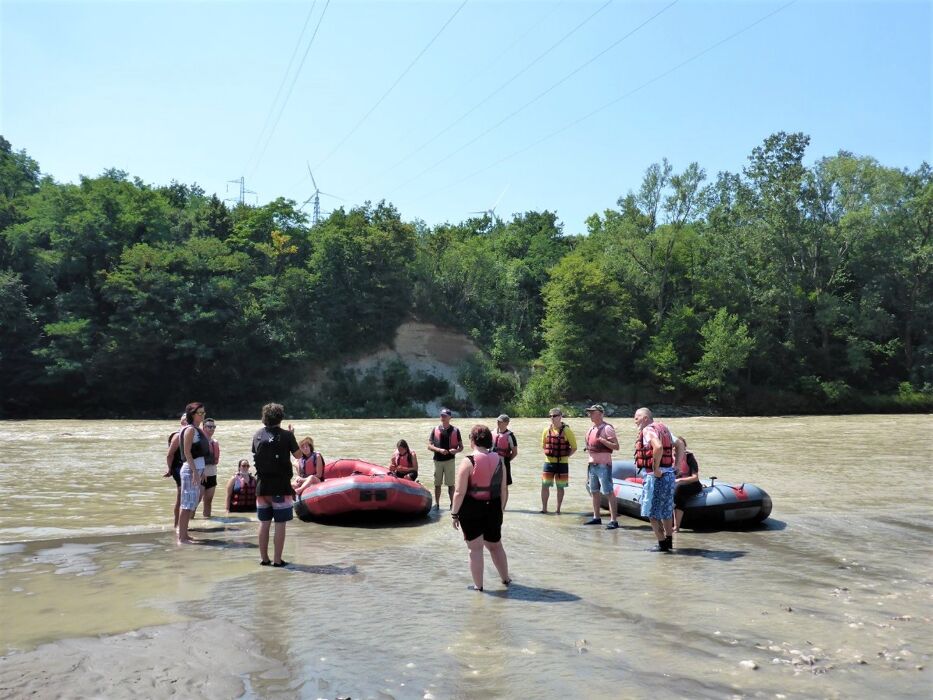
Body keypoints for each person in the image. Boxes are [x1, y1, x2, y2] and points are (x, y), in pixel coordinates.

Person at [450, 424, 511, 592]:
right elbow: (504, 489)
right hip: (494, 507)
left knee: (475, 549)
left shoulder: (468, 461)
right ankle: (506, 579)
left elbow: (459, 492)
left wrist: (454, 514)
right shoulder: (500, 460)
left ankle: (479, 586)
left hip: (472, 509)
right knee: (496, 545)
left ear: (473, 440)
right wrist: (501, 510)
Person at [252, 402, 303, 567]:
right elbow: (299, 455)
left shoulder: (257, 435)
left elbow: (256, 453)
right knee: (280, 524)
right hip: (280, 486)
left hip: (261, 486)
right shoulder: (287, 436)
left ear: (264, 418)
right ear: (280, 417)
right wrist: (292, 435)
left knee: (264, 523)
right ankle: (277, 560)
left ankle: (264, 559)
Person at [634, 407, 677, 552]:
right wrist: (676, 466)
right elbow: (680, 444)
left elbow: (657, 446)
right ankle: (669, 542)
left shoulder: (647, 430)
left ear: (645, 418)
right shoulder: (663, 428)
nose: (635, 421)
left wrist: (655, 468)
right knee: (666, 511)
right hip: (669, 475)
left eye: (637, 417)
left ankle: (662, 544)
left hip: (655, 477)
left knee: (652, 513)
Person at [583, 404, 620, 529]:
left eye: (593, 412)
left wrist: (603, 441)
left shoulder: (607, 428)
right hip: (592, 465)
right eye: (590, 413)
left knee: (609, 492)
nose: (590, 415)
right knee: (594, 492)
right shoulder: (590, 429)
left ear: (600, 413)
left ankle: (614, 520)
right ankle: (596, 517)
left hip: (604, 465)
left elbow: (616, 446)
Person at [178, 402, 210, 544]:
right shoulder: (190, 430)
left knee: (191, 504)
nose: (203, 415)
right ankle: (182, 537)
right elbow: (187, 452)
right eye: (200, 413)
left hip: (197, 469)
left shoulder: (197, 429)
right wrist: (195, 472)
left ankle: (185, 534)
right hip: (190, 471)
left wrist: (201, 471)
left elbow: (200, 454)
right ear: (192, 414)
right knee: (186, 505)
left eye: (204, 413)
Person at [540, 407, 576, 514]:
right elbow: (543, 445)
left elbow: (574, 447)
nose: (552, 418)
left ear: (560, 417)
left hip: (562, 463)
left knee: (560, 487)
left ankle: (558, 509)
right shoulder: (546, 430)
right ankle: (544, 509)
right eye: (550, 416)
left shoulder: (567, 431)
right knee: (544, 485)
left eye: (554, 416)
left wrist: (565, 456)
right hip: (549, 462)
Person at [427, 408, 463, 511]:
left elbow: (461, 447)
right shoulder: (435, 429)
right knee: (437, 484)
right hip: (437, 461)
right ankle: (437, 505)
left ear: (450, 418)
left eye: (445, 416)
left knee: (451, 485)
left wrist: (455, 451)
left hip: (450, 461)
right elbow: (429, 446)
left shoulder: (456, 430)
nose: (442, 417)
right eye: (441, 415)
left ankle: (453, 505)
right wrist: (439, 450)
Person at [673, 437, 701, 532]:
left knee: (679, 489)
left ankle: (676, 526)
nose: (677, 450)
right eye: (675, 447)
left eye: (680, 448)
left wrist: (680, 480)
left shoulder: (689, 458)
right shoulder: (668, 459)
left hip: (693, 484)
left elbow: (695, 477)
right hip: (676, 484)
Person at [164, 414, 187, 531]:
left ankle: (182, 524)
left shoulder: (188, 434)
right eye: (184, 421)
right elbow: (169, 454)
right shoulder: (178, 436)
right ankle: (176, 525)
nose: (186, 422)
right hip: (178, 467)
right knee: (180, 497)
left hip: (185, 466)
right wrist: (169, 469)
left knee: (185, 497)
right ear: (181, 422)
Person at [196, 417, 220, 518]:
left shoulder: (215, 442)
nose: (212, 429)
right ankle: (189, 524)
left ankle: (207, 522)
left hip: (212, 474)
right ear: (203, 427)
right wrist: (201, 472)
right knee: (196, 502)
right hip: (201, 474)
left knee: (208, 501)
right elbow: (196, 458)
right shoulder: (199, 441)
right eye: (209, 427)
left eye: (213, 427)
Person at [491, 414, 518, 492]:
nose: (498, 423)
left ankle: (503, 504)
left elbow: (515, 452)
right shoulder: (492, 432)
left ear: (507, 423)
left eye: (500, 421)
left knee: (504, 486)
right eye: (498, 421)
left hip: (504, 463)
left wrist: (507, 460)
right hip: (492, 463)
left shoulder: (510, 436)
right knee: (492, 484)